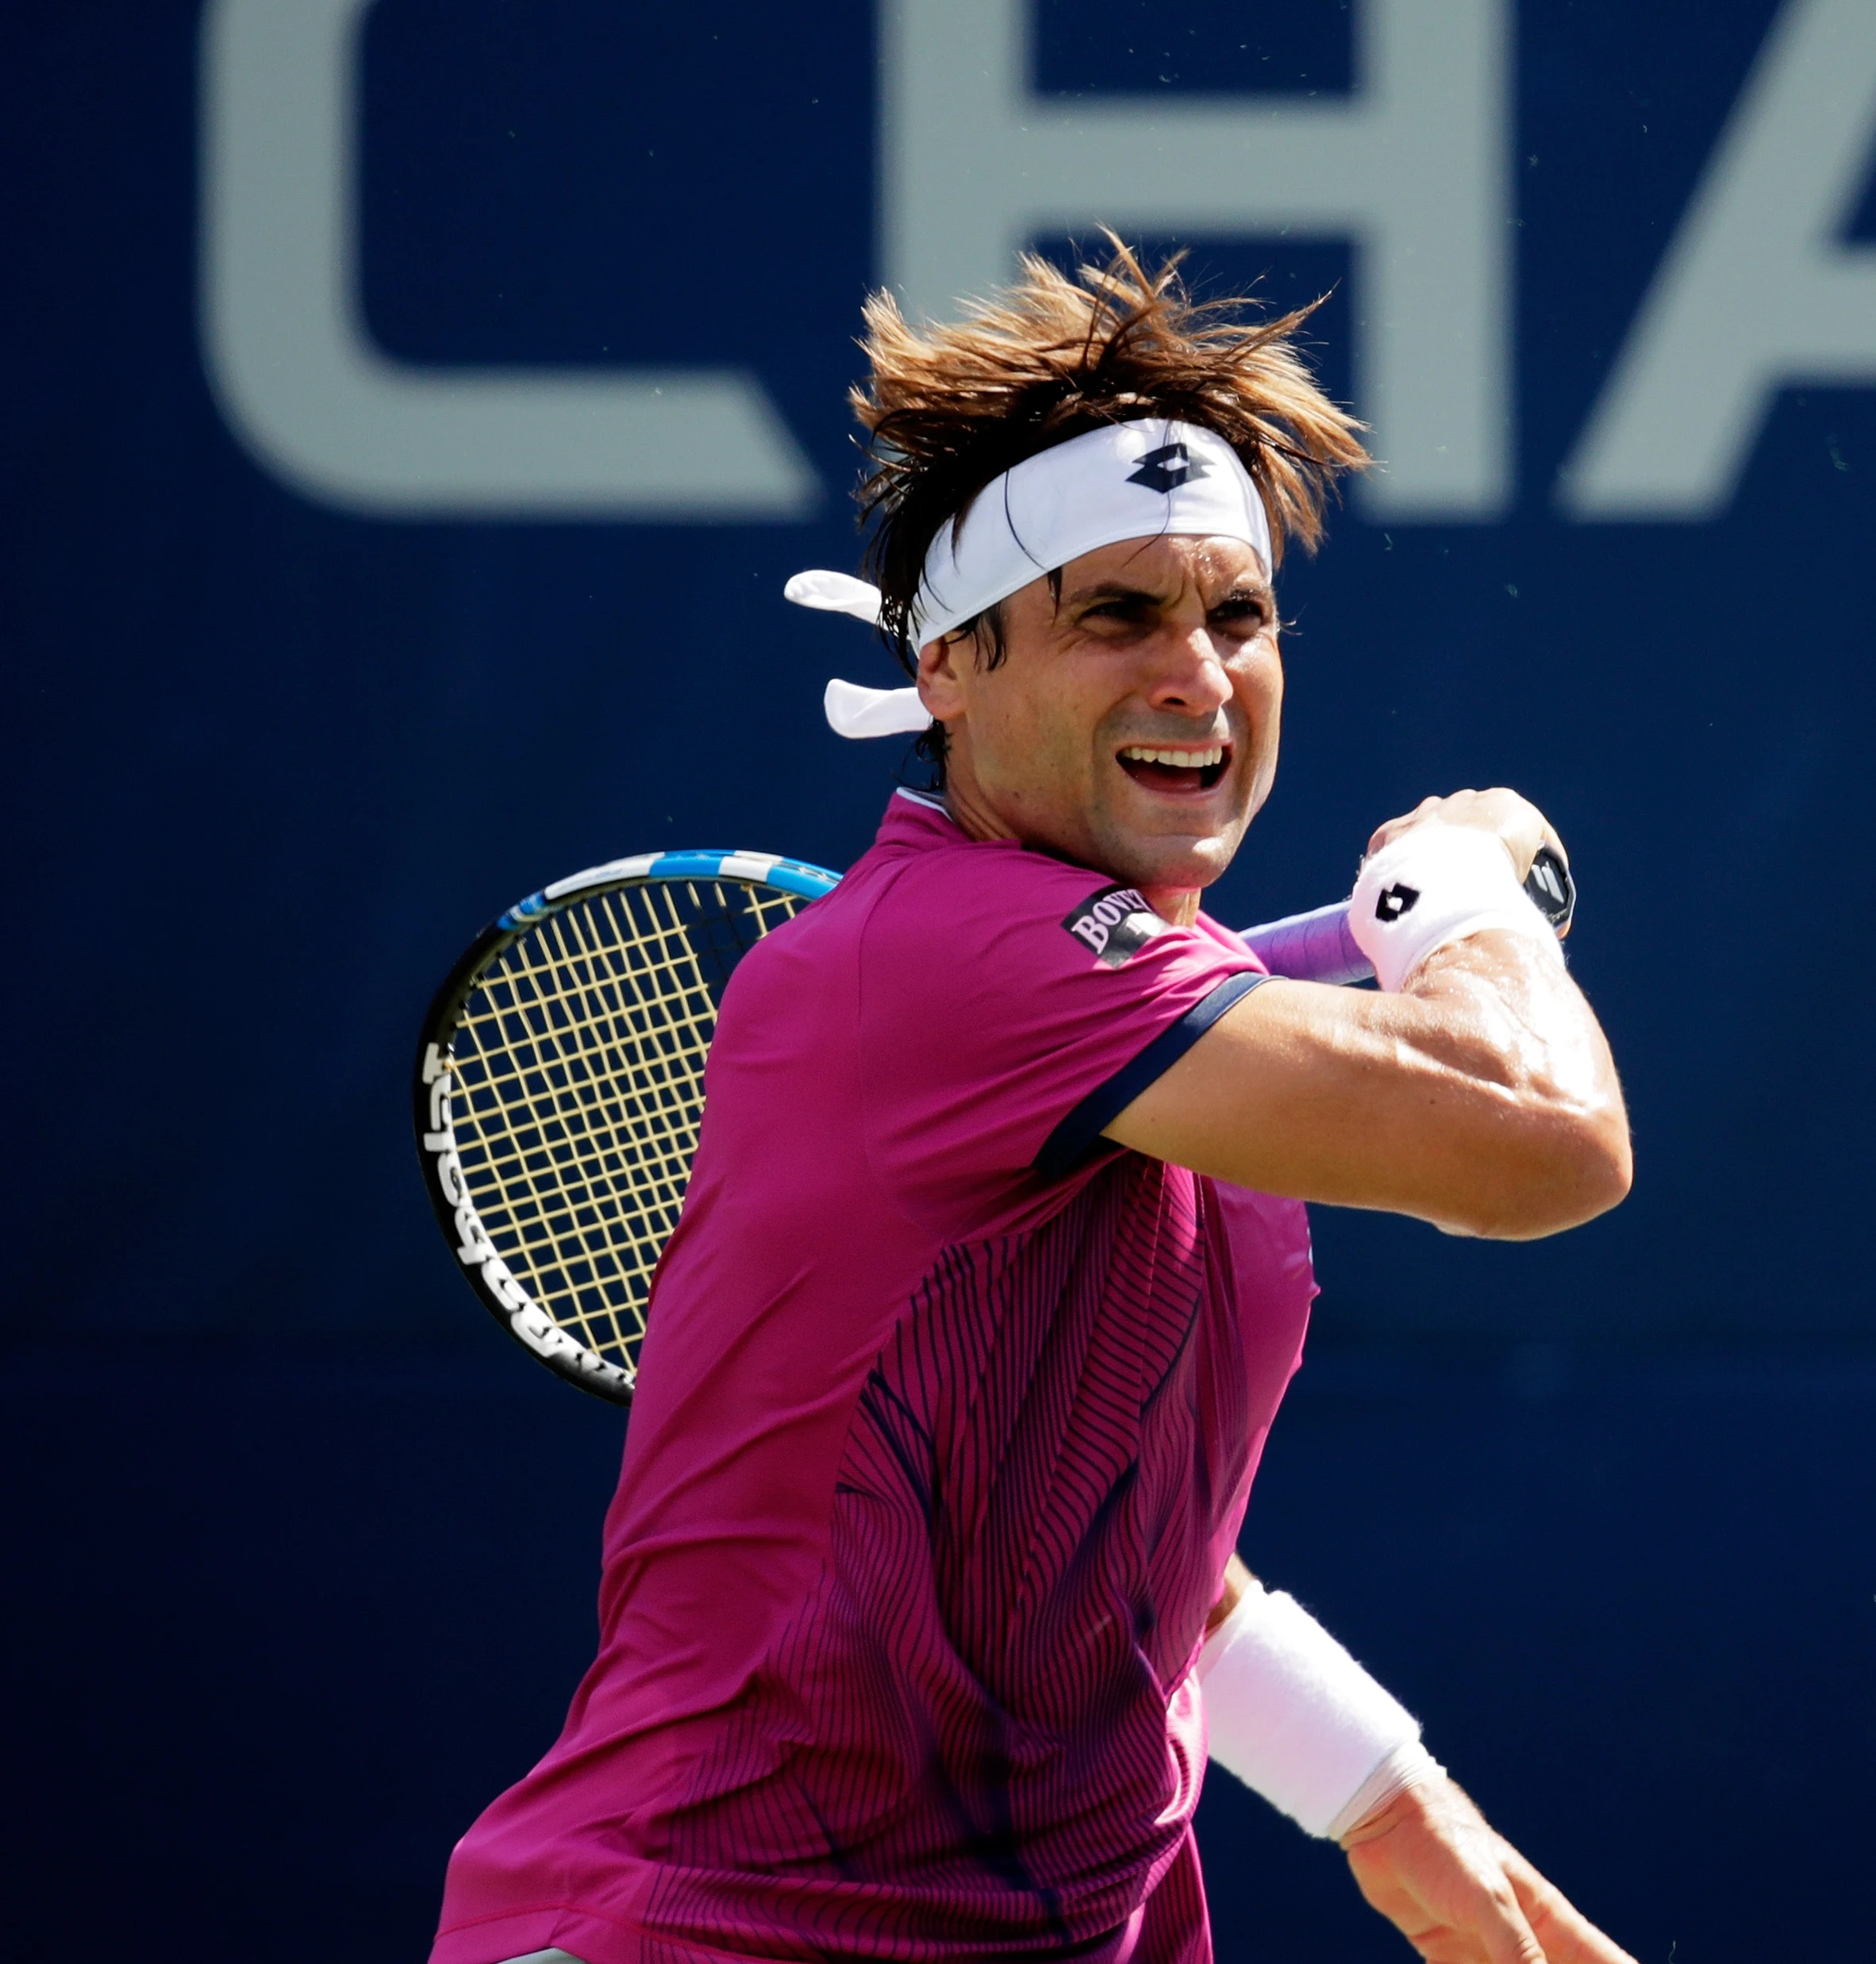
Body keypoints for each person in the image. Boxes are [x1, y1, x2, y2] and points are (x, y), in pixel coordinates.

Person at [429, 244, 1636, 1964]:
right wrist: (1464, 900)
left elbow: (1090, 1519)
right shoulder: (951, 957)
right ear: (949, 670)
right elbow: (1547, 1141)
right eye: (1116, 615)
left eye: (1237, 613)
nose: (1199, 677)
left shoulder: (1168, 1012)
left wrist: (1394, 1810)